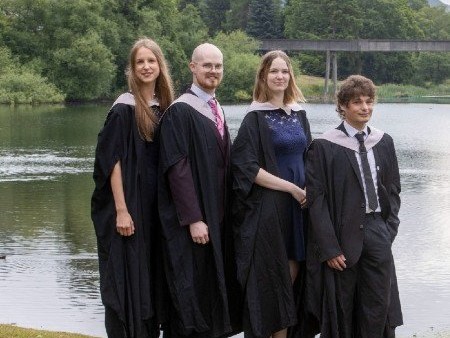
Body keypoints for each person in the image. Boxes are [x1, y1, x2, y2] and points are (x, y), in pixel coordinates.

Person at [305, 75, 403, 337]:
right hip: (341, 236)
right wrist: (329, 247)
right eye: (357, 102)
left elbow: (393, 190)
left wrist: (388, 229)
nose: (365, 107)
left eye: (369, 102)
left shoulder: (384, 142)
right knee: (343, 308)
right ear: (343, 106)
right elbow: (317, 201)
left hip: (377, 231)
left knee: (378, 307)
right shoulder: (324, 146)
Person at [91, 37, 174, 338]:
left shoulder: (165, 108)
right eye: (140, 61)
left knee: (151, 275)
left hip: (156, 207)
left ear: (160, 65)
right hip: (131, 205)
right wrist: (121, 210)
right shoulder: (123, 109)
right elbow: (111, 161)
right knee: (128, 275)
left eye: (151, 61)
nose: (146, 66)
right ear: (132, 68)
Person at [158, 43, 238, 338]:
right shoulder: (181, 111)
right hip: (193, 221)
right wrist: (193, 218)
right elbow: (176, 168)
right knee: (189, 289)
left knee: (210, 289)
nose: (213, 71)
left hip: (216, 216)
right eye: (207, 65)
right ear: (192, 67)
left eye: (218, 66)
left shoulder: (217, 109)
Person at [231, 50, 312, 338]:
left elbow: (308, 158)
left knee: (291, 282)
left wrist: (308, 190)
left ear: (290, 76)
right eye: (274, 71)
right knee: (273, 284)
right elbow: (246, 167)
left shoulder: (299, 115)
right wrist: (290, 187)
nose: (280, 76)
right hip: (271, 208)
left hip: (299, 210)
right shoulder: (255, 117)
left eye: (284, 71)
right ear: (264, 77)